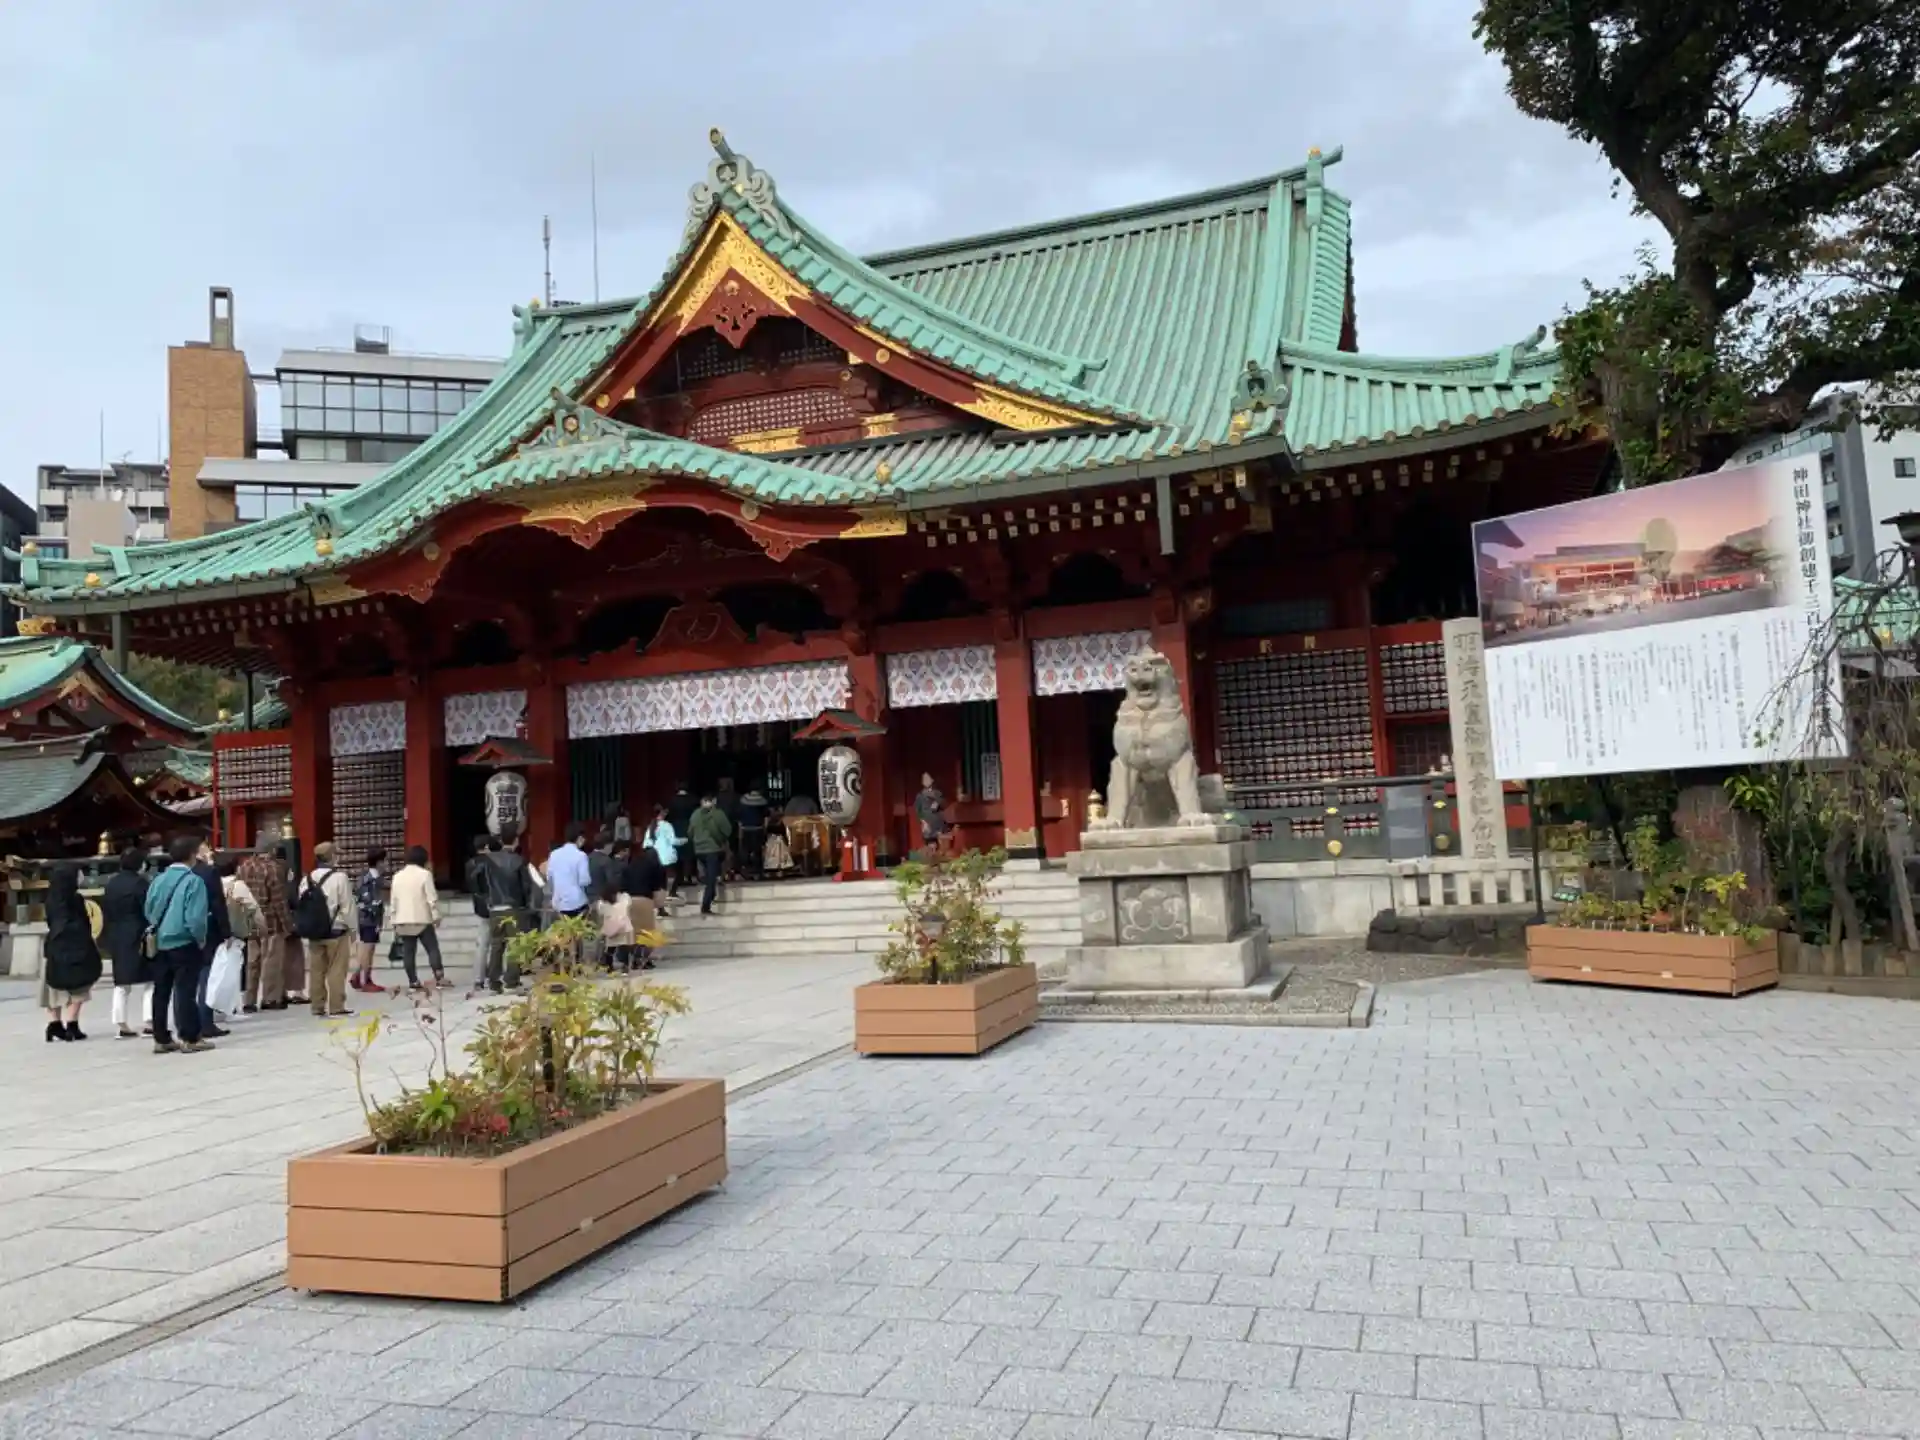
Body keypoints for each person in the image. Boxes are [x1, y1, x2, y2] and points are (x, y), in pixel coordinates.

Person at [144, 835, 212, 1053]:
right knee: (185, 991)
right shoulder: (194, 881)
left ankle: (161, 1037)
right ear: (192, 855)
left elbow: (148, 909)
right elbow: (195, 918)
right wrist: (200, 939)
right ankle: (189, 1036)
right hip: (184, 941)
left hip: (160, 942)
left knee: (161, 991)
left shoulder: (158, 879)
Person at [41, 863, 102, 1043]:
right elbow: (83, 922)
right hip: (76, 944)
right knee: (80, 985)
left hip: (54, 944)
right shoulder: (75, 899)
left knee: (53, 987)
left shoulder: (50, 898)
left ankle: (54, 1024)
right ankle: (72, 1023)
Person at [296, 841, 355, 1017]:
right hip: (336, 929)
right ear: (332, 857)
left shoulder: (307, 879)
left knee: (316, 970)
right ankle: (336, 1005)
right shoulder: (340, 878)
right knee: (336, 969)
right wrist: (353, 928)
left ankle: (317, 1005)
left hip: (314, 930)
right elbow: (347, 906)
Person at [101, 848, 151, 1040]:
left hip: (116, 933)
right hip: (138, 933)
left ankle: (121, 1023)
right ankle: (149, 1020)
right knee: (151, 979)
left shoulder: (111, 883)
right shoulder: (140, 883)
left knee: (122, 982)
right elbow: (147, 909)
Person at [238, 840, 294, 1011]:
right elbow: (278, 900)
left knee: (252, 961)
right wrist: (287, 923)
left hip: (250, 920)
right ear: (272, 850)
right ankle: (270, 998)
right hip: (271, 921)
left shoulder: (244, 867)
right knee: (272, 961)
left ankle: (249, 1000)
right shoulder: (272, 869)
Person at [479, 831, 534, 993]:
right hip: (514, 907)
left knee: (497, 945)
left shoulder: (488, 860)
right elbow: (526, 886)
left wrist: (487, 900)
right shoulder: (519, 860)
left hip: (495, 907)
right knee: (515, 944)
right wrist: (526, 905)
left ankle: (494, 982)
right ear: (516, 841)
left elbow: (481, 882)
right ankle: (511, 980)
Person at [388, 845, 446, 989]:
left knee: (409, 952)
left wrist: (393, 919)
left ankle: (413, 981)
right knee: (432, 948)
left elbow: (393, 900)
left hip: (403, 919)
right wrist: (436, 915)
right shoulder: (425, 875)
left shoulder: (397, 876)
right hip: (422, 918)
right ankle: (439, 977)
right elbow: (431, 898)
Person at [192, 839, 233, 1040]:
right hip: (208, 928)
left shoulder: (181, 872)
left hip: (185, 929)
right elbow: (218, 903)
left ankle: (188, 1022)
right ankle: (205, 1021)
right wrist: (226, 932)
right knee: (207, 975)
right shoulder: (209, 872)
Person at [218, 856, 264, 1021]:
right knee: (236, 968)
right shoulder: (237, 886)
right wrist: (261, 925)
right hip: (236, 931)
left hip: (216, 932)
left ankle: (218, 1005)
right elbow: (252, 906)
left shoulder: (212, 883)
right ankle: (233, 1007)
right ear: (236, 869)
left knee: (218, 970)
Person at [349, 847, 388, 993]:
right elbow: (367, 900)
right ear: (379, 862)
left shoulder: (370, 877)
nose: (386, 864)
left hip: (369, 917)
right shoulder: (370, 879)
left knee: (367, 947)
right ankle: (366, 979)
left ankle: (358, 975)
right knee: (368, 948)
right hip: (368, 917)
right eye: (385, 861)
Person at [688, 793, 732, 917]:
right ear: (714, 801)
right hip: (713, 849)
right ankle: (706, 906)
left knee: (709, 875)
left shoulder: (695, 814)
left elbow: (690, 832)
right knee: (711, 880)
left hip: (699, 850)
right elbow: (727, 830)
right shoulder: (718, 814)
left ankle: (710, 890)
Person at [547, 822, 592, 918]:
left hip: (559, 903)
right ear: (580, 838)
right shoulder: (581, 856)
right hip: (577, 903)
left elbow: (550, 878)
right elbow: (584, 881)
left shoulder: (554, 854)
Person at [594, 881, 634, 972]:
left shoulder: (602, 903)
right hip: (623, 927)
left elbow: (600, 914)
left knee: (610, 948)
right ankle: (625, 966)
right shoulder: (625, 898)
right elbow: (629, 907)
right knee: (624, 946)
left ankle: (609, 967)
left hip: (610, 929)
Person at [646, 805, 680, 898]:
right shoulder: (667, 825)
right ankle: (671, 892)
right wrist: (683, 841)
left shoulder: (651, 826)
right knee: (674, 874)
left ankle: (662, 894)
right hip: (666, 855)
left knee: (660, 876)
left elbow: (647, 843)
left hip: (655, 855)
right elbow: (672, 840)